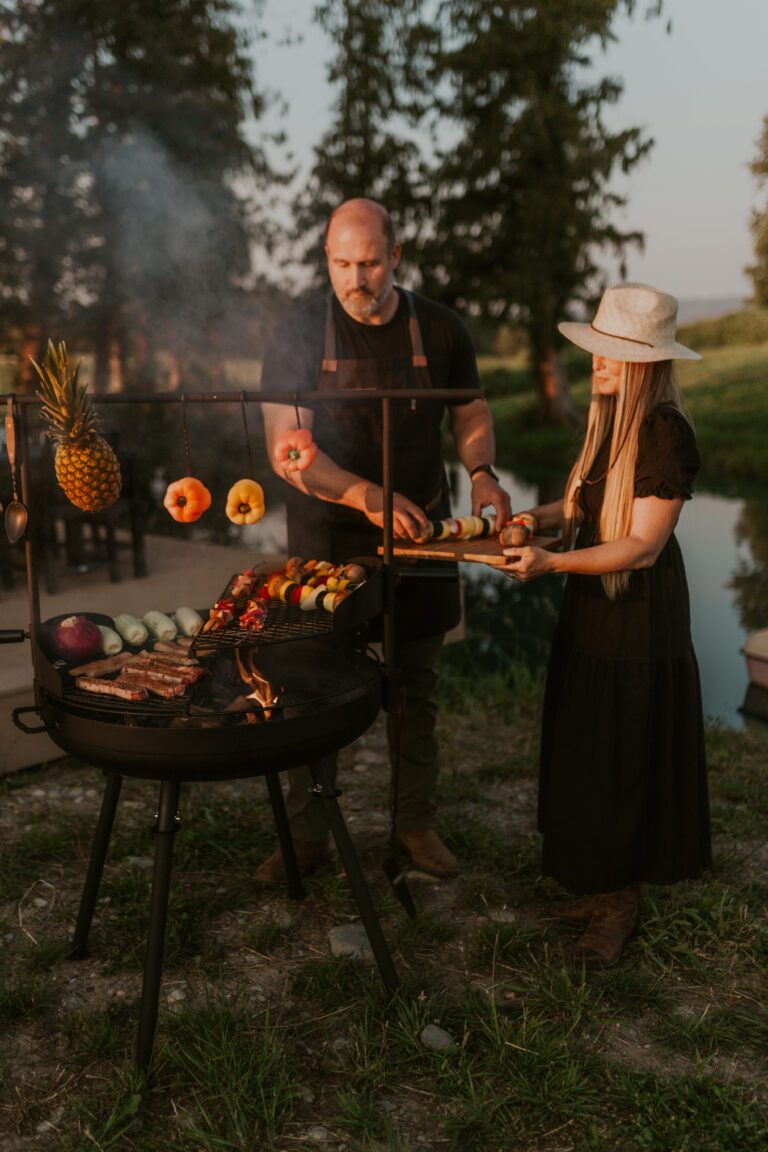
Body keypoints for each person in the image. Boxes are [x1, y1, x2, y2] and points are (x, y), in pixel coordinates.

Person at [257, 197, 511, 882]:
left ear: (395, 257)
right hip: (327, 535)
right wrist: (367, 495)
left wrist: (482, 471)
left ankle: (414, 826)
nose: (356, 279)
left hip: (423, 529)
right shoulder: (299, 334)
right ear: (327, 260)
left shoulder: (441, 328)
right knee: (312, 687)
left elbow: (471, 411)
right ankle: (308, 836)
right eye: (342, 263)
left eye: (369, 263)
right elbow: (287, 447)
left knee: (416, 683)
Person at [503, 282, 711, 969]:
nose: (598, 360)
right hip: (595, 605)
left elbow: (642, 546)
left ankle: (620, 904)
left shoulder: (663, 430)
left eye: (613, 351)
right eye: (597, 347)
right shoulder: (607, 421)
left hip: (638, 614)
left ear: (646, 361)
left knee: (624, 749)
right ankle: (595, 887)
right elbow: (584, 510)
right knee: (589, 744)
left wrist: (553, 565)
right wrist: (538, 521)